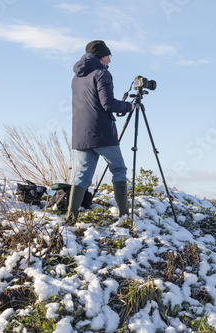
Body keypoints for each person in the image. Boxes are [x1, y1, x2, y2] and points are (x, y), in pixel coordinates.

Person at [66, 40, 133, 222]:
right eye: (109, 56)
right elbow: (107, 104)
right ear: (102, 57)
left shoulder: (76, 77)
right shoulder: (102, 74)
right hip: (102, 133)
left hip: (81, 134)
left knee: (83, 174)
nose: (110, 60)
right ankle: (124, 216)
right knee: (119, 169)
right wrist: (129, 106)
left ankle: (70, 218)